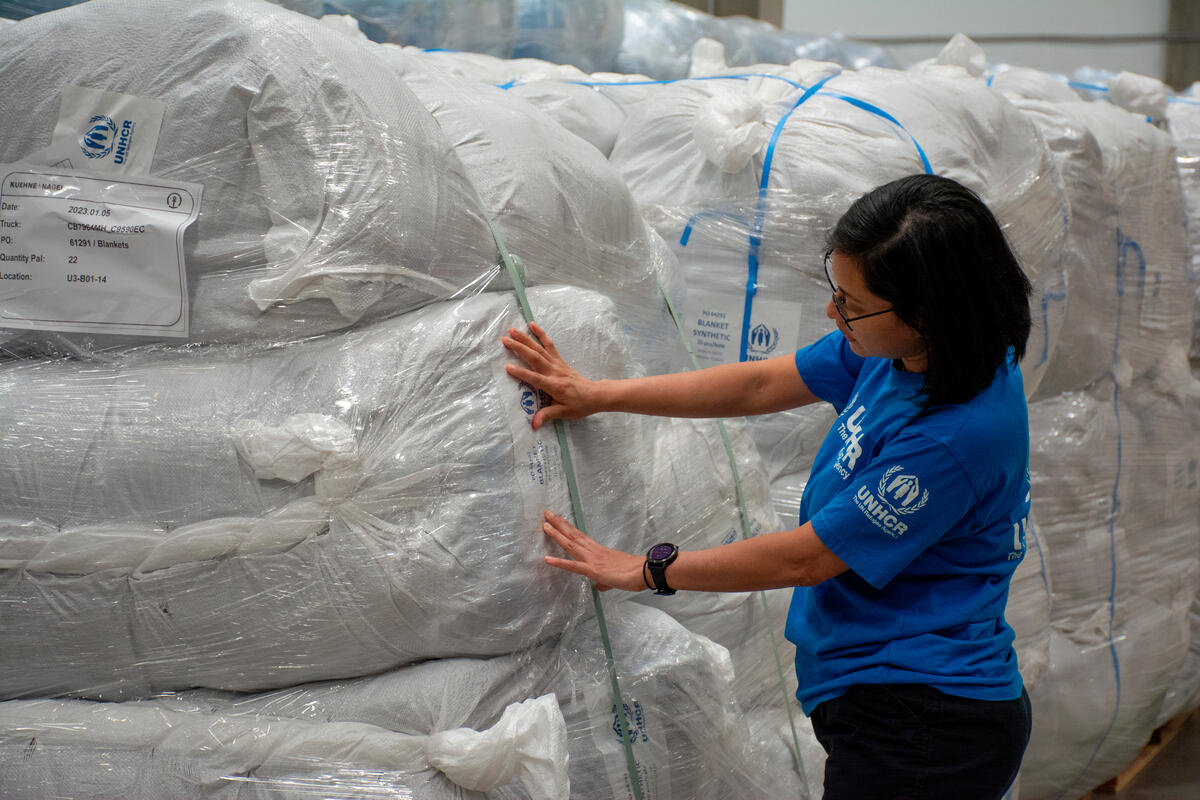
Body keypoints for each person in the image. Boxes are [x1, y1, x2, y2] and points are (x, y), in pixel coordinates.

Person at [501, 173, 1033, 800]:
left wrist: (646, 569)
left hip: (923, 721)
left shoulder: (957, 433)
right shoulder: (904, 355)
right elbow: (758, 386)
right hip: (887, 699)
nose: (836, 313)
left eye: (854, 306)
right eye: (835, 290)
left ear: (926, 314)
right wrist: (600, 395)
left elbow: (807, 557)